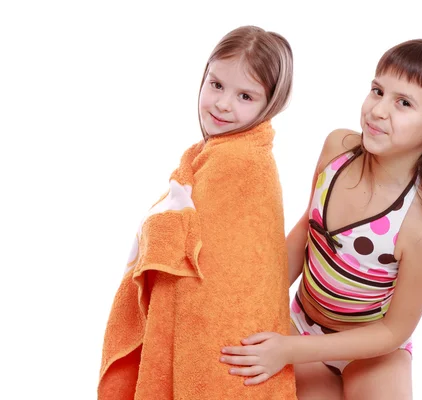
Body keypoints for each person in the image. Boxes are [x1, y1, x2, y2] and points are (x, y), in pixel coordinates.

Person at [220, 38, 422, 399]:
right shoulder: (337, 149)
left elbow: (394, 331)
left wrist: (288, 351)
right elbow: (305, 234)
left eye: (403, 103)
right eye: (377, 91)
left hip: (373, 349)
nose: (377, 111)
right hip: (302, 325)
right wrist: (252, 298)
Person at [98, 25, 297, 399]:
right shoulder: (210, 156)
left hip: (220, 347)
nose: (223, 103)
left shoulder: (242, 164)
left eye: (245, 96)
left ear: (271, 105)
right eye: (216, 84)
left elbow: (222, 283)